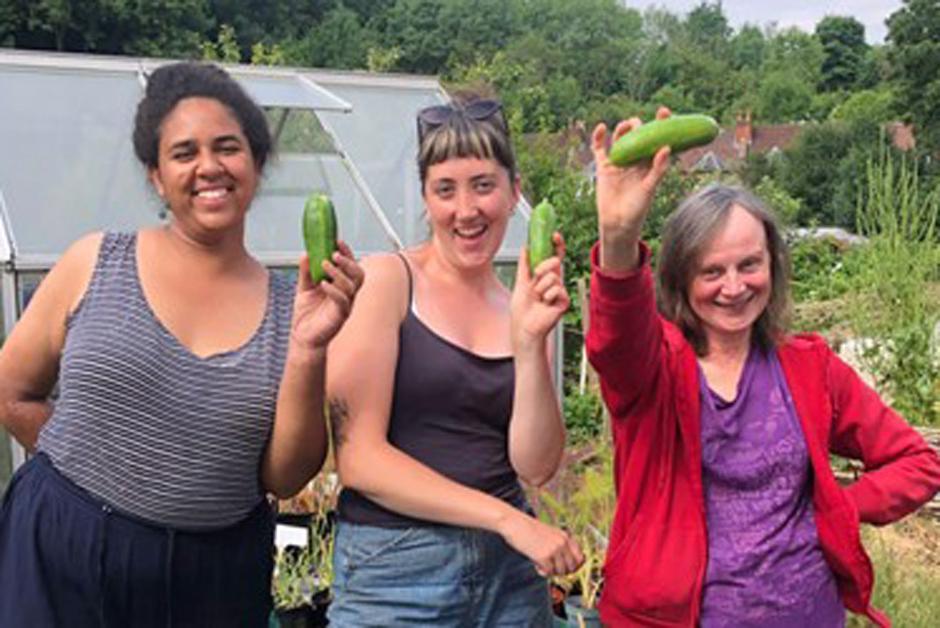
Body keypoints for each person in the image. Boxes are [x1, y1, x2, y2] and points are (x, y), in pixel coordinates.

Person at [0, 61, 363, 626]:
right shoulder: (94, 261)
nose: (209, 167)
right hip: (60, 553)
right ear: (155, 175)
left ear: (257, 163)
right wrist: (101, 486)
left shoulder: (296, 306)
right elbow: (11, 391)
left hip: (210, 578)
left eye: (227, 147)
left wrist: (310, 348)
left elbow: (285, 477)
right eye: (184, 152)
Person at [585, 108, 940, 627]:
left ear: (772, 263)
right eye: (712, 271)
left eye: (749, 264)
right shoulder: (653, 368)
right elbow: (613, 338)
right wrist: (618, 236)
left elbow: (919, 462)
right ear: (680, 279)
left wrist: (841, 506)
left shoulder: (808, 367)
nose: (734, 287)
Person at [324, 94, 583, 626]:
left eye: (484, 185)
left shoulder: (524, 303)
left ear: (514, 194)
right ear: (426, 198)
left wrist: (531, 342)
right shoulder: (387, 282)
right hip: (397, 571)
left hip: (510, 579)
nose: (466, 210)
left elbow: (535, 466)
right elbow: (359, 460)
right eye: (446, 189)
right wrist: (506, 520)